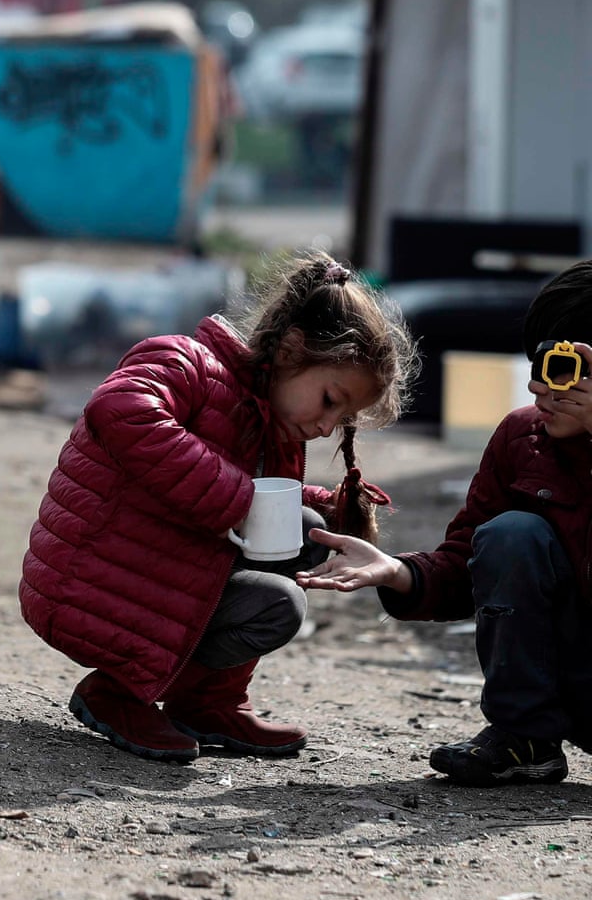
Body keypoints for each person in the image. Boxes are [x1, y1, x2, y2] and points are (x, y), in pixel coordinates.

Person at [20, 253, 416, 763]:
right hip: (86, 584)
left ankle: (206, 704)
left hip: (156, 578)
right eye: (329, 400)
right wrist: (240, 500)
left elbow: (246, 490)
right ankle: (116, 692)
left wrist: (333, 508)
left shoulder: (275, 423)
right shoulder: (185, 362)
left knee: (299, 559)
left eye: (343, 417)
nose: (326, 426)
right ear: (292, 349)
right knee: (292, 529)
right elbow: (118, 409)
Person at [297, 258, 592, 787]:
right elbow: (471, 565)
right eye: (541, 365)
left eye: (569, 369)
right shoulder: (522, 439)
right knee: (510, 535)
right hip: (576, 685)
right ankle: (524, 737)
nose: (544, 389)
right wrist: (396, 572)